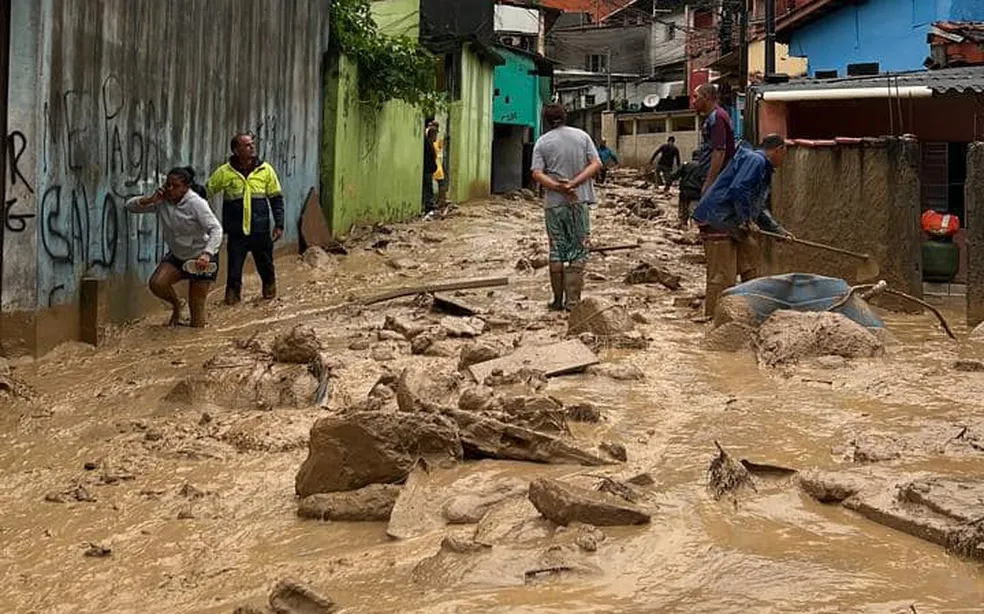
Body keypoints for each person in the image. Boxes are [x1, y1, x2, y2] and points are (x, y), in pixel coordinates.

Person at [692, 133, 793, 317]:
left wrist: (777, 230)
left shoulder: (762, 166)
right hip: (718, 219)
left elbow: (759, 207)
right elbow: (739, 188)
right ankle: (714, 318)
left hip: (733, 221)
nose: (784, 159)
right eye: (785, 153)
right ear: (779, 150)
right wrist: (746, 220)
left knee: (751, 261)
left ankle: (751, 310)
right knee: (722, 275)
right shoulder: (756, 160)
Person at [125, 167, 223, 327]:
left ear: (186, 187)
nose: (170, 189)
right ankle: (177, 305)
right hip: (177, 255)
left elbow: (216, 229)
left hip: (201, 257)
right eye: (168, 184)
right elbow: (130, 207)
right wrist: (150, 199)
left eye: (175, 186)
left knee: (197, 321)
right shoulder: (161, 201)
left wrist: (207, 253)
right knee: (157, 283)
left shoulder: (197, 203)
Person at [530, 104, 603, 311]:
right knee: (578, 250)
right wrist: (573, 184)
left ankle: (556, 301)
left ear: (545, 120)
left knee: (556, 251)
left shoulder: (542, 142)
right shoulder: (582, 136)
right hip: (578, 202)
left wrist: (558, 187)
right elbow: (596, 164)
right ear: (565, 117)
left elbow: (536, 173)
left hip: (554, 205)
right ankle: (573, 303)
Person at [206, 133, 285, 305]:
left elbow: (276, 198)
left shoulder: (266, 170)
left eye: (252, 144)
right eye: (247, 145)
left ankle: (269, 298)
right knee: (233, 273)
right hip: (237, 233)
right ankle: (231, 302)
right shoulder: (224, 172)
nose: (252, 147)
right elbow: (207, 192)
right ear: (236, 150)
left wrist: (279, 224)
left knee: (266, 268)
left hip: (260, 230)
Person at [693, 83, 736, 196]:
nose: (693, 101)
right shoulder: (714, 116)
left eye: (696, 97)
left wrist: (709, 183)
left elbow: (719, 152)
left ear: (706, 97)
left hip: (719, 178)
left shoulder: (717, 117)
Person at [666, 150, 703, 227]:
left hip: (684, 191)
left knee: (683, 214)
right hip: (696, 193)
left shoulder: (685, 164)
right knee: (694, 213)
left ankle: (682, 228)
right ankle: (693, 230)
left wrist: (667, 186)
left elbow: (674, 176)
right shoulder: (703, 166)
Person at [423, 124, 438, 214]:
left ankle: (429, 204)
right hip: (428, 170)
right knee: (428, 188)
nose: (436, 137)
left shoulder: (430, 143)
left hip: (430, 170)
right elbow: (429, 158)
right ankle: (429, 205)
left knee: (429, 187)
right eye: (436, 135)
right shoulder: (428, 144)